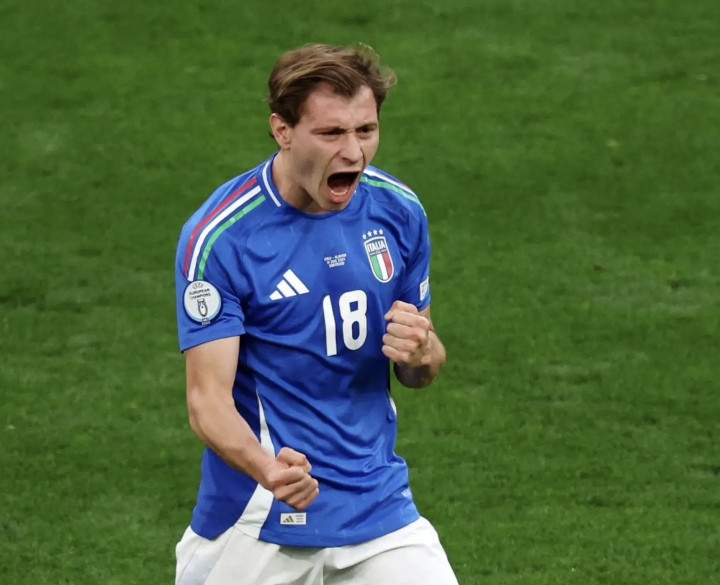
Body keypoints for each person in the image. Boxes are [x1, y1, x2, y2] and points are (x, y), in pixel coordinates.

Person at [174, 42, 459, 585]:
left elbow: (420, 369)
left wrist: (423, 352)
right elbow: (206, 401)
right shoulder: (222, 238)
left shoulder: (398, 211)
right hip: (260, 517)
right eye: (331, 133)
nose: (353, 152)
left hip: (377, 507)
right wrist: (269, 470)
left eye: (366, 130)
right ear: (282, 131)